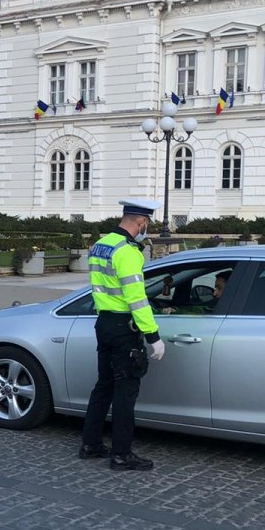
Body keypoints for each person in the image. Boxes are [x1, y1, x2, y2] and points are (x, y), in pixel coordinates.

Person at [80, 198, 166, 471]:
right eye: (146, 225)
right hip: (124, 329)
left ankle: (90, 444)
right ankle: (121, 454)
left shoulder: (101, 245)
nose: (145, 229)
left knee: (103, 386)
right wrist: (153, 335)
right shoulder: (128, 252)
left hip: (104, 323)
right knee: (125, 392)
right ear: (140, 222)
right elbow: (137, 299)